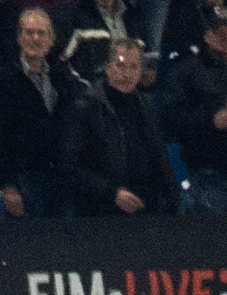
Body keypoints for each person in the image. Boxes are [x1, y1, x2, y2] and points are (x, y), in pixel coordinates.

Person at [161, 4, 227, 214]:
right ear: (206, 35)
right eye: (218, 31)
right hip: (208, 175)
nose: (226, 35)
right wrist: (210, 120)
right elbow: (170, 121)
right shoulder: (186, 71)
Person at [58, 36, 178, 215]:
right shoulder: (85, 108)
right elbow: (68, 167)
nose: (127, 73)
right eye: (120, 65)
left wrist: (170, 199)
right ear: (107, 68)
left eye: (133, 67)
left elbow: (158, 156)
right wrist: (111, 193)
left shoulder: (145, 105)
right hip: (101, 214)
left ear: (141, 72)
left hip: (147, 210)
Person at [0, 7, 82, 217]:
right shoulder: (1, 80)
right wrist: (7, 185)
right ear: (19, 37)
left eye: (41, 33)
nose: (35, 38)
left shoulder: (64, 78)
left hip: (62, 178)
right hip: (24, 180)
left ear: (52, 40)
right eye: (29, 32)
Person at [58, 0, 135, 82]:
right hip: (89, 96)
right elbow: (60, 64)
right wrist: (85, 90)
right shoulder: (73, 15)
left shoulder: (132, 16)